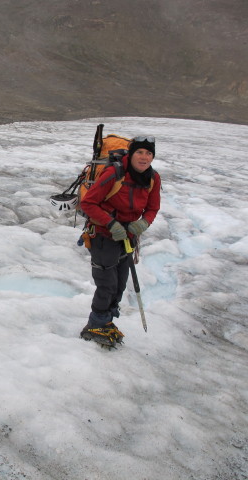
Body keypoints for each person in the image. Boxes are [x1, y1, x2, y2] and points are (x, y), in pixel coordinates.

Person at [79, 136, 161, 348]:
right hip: (104, 234)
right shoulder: (114, 173)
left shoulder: (153, 178)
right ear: (132, 154)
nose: (144, 157)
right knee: (107, 284)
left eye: (149, 153)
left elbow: (153, 208)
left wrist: (142, 224)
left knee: (120, 283)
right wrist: (111, 224)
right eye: (140, 152)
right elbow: (88, 203)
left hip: (128, 236)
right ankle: (93, 325)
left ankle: (106, 321)